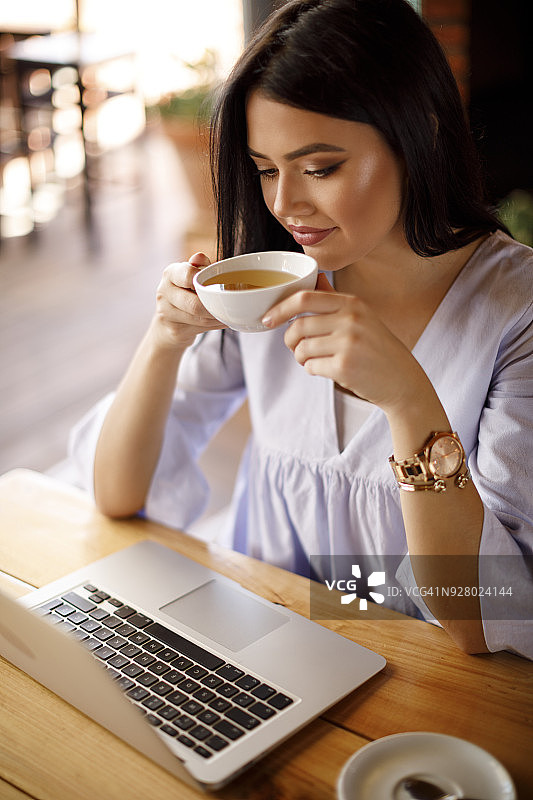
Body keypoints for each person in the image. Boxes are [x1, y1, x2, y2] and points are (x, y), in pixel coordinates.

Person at [69, 0, 533, 658]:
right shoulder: (271, 286)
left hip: (425, 672)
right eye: (265, 168)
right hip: (264, 641)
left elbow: (476, 616)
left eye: (319, 168)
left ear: (420, 136)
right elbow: (116, 495)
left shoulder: (518, 314)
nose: (285, 205)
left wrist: (408, 400)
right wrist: (165, 339)